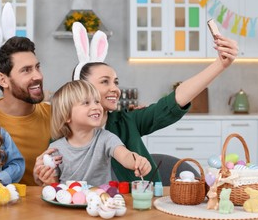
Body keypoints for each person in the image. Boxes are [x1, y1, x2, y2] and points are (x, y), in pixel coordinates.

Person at [35, 22, 239, 185]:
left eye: (116, 82)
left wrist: (219, 65)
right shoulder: (61, 139)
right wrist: (45, 175)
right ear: (80, 88)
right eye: (105, 82)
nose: (115, 89)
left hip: (137, 204)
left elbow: (173, 101)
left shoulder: (127, 121)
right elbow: (53, 180)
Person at [41, 80, 151, 186]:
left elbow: (125, 155)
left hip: (100, 202)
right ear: (67, 116)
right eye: (86, 103)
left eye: (97, 101)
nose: (96, 107)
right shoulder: (55, 149)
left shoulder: (106, 138)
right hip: (67, 203)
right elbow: (53, 185)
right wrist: (47, 180)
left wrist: (137, 161)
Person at [0, 37, 51, 186]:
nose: (38, 76)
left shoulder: (55, 115)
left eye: (37, 67)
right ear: (3, 80)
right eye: (26, 70)